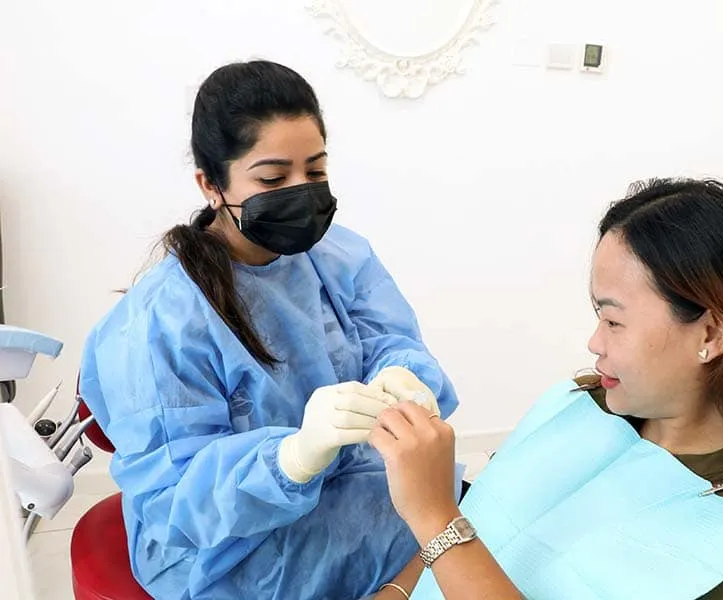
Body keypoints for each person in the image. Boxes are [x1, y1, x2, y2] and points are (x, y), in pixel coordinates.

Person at [78, 60, 458, 600]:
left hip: (342, 487)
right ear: (211, 185)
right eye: (274, 178)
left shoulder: (338, 254)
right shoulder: (162, 321)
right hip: (224, 548)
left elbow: (389, 341)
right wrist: (295, 455)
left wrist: (404, 373)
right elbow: (174, 502)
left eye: (317, 171)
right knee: (459, 543)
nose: (301, 191)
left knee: (475, 512)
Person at [368, 179, 723, 599]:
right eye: (598, 316)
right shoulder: (577, 408)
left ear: (711, 335)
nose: (594, 343)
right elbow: (478, 527)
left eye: (615, 321)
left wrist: (434, 514)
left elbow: (450, 532)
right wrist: (393, 592)